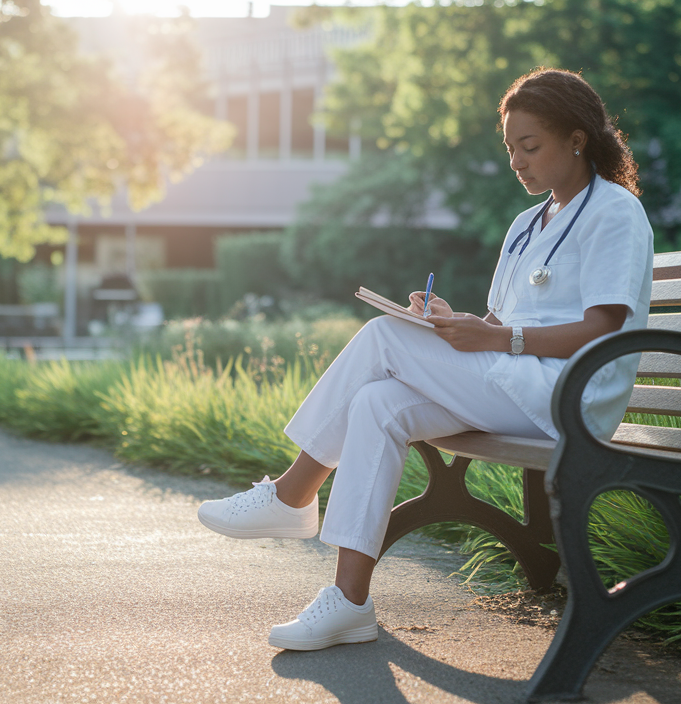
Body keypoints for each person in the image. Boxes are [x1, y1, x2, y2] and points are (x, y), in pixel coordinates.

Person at [197, 68, 654, 651]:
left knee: (383, 339)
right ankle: (349, 602)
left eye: (530, 146)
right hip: (514, 381)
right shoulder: (525, 225)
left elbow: (604, 326)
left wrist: (496, 339)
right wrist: (443, 320)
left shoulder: (614, 211)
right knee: (378, 403)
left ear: (577, 138)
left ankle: (292, 494)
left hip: (570, 394)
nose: (517, 161)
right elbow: (499, 323)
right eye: (510, 148)